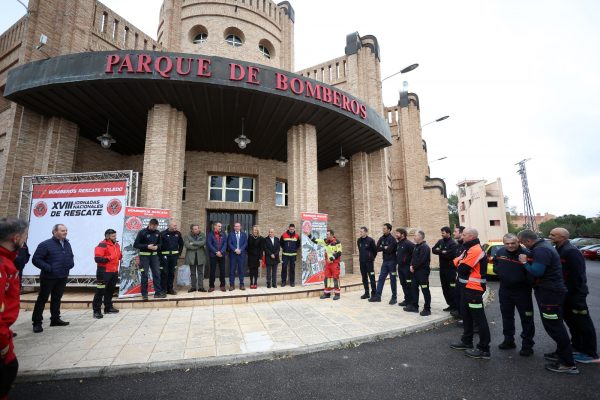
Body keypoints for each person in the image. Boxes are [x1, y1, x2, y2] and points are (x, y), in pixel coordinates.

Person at [517, 229, 578, 374]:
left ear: (528, 241)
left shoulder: (541, 250)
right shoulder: (542, 246)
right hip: (550, 291)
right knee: (555, 325)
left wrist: (524, 263)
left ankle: (568, 363)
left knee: (554, 326)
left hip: (550, 293)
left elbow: (538, 272)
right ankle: (562, 354)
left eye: (521, 243)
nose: (522, 246)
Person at [550, 227, 598, 364]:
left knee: (583, 323)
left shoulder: (571, 251)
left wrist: (576, 295)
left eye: (553, 235)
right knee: (572, 323)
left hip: (575, 294)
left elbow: (578, 276)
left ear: (563, 237)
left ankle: (591, 353)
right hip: (565, 294)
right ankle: (577, 347)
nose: (550, 236)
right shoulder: (559, 249)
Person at [450, 228, 491, 359]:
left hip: (474, 289)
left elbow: (462, 268)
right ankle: (466, 341)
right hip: (465, 287)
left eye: (464, 234)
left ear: (471, 236)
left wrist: (460, 262)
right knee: (466, 316)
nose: (462, 236)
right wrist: (460, 262)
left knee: (479, 320)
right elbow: (455, 261)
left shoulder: (475, 250)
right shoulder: (468, 249)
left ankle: (484, 349)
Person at [0, 217, 28, 399]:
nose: (25, 241)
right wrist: (3, 343)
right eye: (25, 237)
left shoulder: (7, 261)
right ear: (16, 238)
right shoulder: (2, 265)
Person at [493, 233, 535, 356]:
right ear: (504, 243)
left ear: (518, 242)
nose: (510, 246)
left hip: (522, 292)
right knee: (507, 317)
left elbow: (532, 272)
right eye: (507, 243)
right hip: (505, 291)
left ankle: (527, 345)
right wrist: (499, 271)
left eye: (513, 243)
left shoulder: (526, 254)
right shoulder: (500, 252)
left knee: (527, 319)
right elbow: (495, 264)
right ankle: (508, 340)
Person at [31, 224, 74, 333]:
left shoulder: (67, 243)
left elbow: (70, 255)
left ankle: (55, 319)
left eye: (66, 230)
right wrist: (49, 268)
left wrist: (70, 264)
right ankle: (37, 322)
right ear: (55, 232)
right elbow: (36, 259)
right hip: (49, 277)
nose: (65, 232)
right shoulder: (45, 244)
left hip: (62, 275)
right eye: (62, 230)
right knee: (42, 299)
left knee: (57, 298)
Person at [92, 229, 122, 319]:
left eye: (115, 236)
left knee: (110, 291)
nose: (115, 237)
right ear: (107, 236)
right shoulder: (102, 244)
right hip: (103, 272)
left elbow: (117, 256)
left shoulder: (116, 244)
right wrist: (110, 257)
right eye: (113, 236)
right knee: (100, 291)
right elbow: (97, 259)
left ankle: (108, 308)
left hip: (113, 271)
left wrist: (120, 255)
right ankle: (96, 311)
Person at [133, 219, 165, 300]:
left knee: (157, 274)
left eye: (156, 227)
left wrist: (157, 247)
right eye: (153, 226)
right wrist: (147, 246)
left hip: (154, 257)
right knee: (145, 275)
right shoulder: (142, 232)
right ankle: (144, 294)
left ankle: (157, 293)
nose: (154, 228)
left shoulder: (158, 233)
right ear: (149, 224)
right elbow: (136, 245)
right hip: (144, 257)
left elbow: (161, 244)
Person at [404, 230, 432, 316]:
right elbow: (413, 258)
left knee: (425, 290)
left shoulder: (425, 247)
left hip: (422, 273)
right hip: (415, 272)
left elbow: (422, 260)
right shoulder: (416, 246)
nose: (414, 237)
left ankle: (427, 309)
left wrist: (414, 267)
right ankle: (414, 306)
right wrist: (411, 266)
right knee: (414, 288)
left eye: (415, 236)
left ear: (420, 237)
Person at [432, 227, 459, 314]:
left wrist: (440, 252)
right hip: (442, 269)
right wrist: (442, 251)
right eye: (441, 233)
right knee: (445, 288)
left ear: (448, 233)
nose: (442, 234)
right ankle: (450, 305)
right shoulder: (440, 241)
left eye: (443, 233)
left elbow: (449, 255)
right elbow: (433, 250)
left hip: (450, 270)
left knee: (452, 288)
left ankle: (455, 306)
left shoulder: (453, 244)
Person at [310, 229, 342, 300]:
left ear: (331, 235)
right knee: (327, 278)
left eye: (327, 234)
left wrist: (332, 257)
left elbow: (339, 252)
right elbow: (316, 241)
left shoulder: (337, 242)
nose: (326, 235)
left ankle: (337, 294)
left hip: (335, 263)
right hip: (328, 264)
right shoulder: (326, 241)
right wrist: (309, 235)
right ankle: (327, 293)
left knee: (335, 278)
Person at [370, 223, 398, 304]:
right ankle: (378, 296)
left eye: (385, 228)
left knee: (393, 280)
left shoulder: (392, 239)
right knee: (381, 278)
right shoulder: (381, 238)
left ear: (389, 230)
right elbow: (377, 248)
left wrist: (384, 247)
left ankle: (394, 297)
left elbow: (389, 249)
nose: (383, 230)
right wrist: (384, 247)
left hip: (392, 262)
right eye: (383, 228)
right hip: (385, 262)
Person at [160, 220, 184, 295]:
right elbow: (159, 245)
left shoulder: (178, 234)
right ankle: (163, 290)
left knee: (172, 273)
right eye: (174, 225)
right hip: (164, 257)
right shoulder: (162, 234)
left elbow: (181, 244)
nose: (175, 227)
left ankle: (170, 289)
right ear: (169, 226)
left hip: (174, 257)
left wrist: (179, 254)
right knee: (164, 273)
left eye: (176, 226)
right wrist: (160, 255)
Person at [395, 228, 415, 307]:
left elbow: (415, 254)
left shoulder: (408, 243)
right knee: (403, 284)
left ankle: (411, 301)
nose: (396, 235)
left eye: (397, 233)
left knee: (408, 284)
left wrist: (411, 264)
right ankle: (407, 299)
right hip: (400, 268)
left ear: (403, 234)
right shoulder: (399, 244)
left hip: (407, 268)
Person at [185, 224, 207, 293]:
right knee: (193, 273)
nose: (197, 230)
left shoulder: (203, 235)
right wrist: (198, 245)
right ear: (191, 230)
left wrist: (193, 243)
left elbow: (203, 242)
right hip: (192, 257)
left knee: (200, 272)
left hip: (200, 257)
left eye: (198, 228)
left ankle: (201, 287)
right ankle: (193, 287)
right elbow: (187, 245)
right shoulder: (187, 236)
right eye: (195, 229)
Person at [356, 226, 377, 299]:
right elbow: (360, 250)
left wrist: (371, 257)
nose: (360, 233)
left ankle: (374, 293)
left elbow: (375, 251)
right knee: (364, 277)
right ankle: (366, 293)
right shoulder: (359, 240)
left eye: (361, 232)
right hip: (362, 262)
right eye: (360, 232)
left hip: (369, 262)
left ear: (365, 232)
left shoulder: (371, 240)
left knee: (371, 277)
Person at [207, 222, 227, 292]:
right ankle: (211, 286)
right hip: (213, 255)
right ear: (214, 226)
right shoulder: (210, 234)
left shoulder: (223, 234)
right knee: (212, 271)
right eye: (219, 226)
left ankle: (222, 285)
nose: (220, 227)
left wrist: (220, 252)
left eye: (221, 226)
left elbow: (225, 244)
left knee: (222, 271)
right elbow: (209, 244)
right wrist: (216, 252)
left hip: (221, 255)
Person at [227, 222, 248, 291]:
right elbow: (229, 243)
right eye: (235, 226)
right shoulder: (230, 234)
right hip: (233, 254)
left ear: (240, 227)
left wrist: (240, 249)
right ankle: (232, 285)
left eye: (238, 226)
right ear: (234, 227)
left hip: (241, 255)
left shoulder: (244, 234)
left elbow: (245, 243)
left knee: (241, 270)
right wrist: (235, 249)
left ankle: (241, 284)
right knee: (232, 270)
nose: (236, 227)